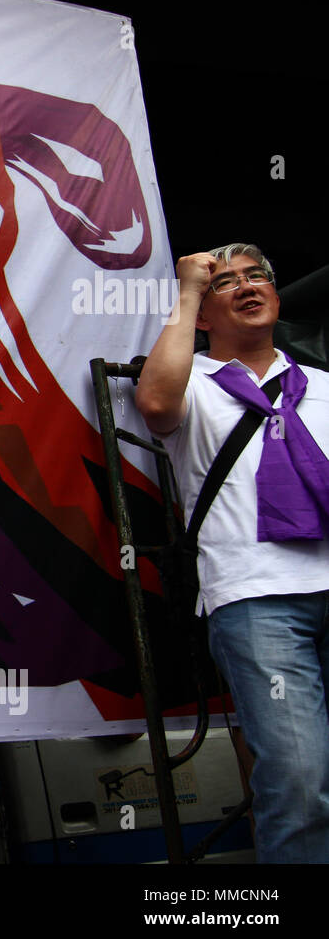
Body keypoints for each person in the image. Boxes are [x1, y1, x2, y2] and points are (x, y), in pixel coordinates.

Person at [136, 244, 329, 862]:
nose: (246, 287)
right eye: (227, 284)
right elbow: (157, 408)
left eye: (258, 278)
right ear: (201, 313)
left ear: (277, 298)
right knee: (299, 783)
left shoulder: (321, 385)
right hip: (256, 600)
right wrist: (188, 289)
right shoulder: (189, 379)